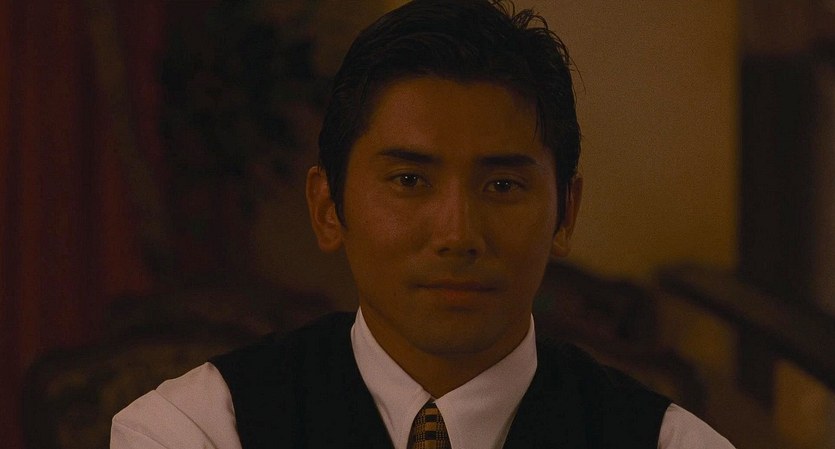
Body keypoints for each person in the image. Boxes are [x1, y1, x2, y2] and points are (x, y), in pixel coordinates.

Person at [111, 1, 735, 448]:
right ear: (328, 207)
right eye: (409, 180)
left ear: (565, 213)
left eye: (502, 186)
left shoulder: (673, 443)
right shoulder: (197, 429)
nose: (457, 234)